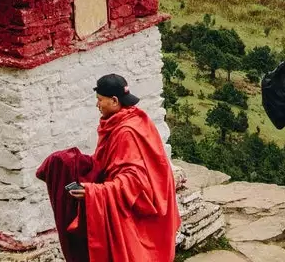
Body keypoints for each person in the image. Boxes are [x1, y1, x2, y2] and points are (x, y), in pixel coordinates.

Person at [36, 74, 181, 262]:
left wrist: (94, 191)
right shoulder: (131, 119)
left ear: (114, 100)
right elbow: (109, 163)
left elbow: (134, 181)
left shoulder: (127, 132)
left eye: (100, 100)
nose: (97, 105)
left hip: (137, 211)